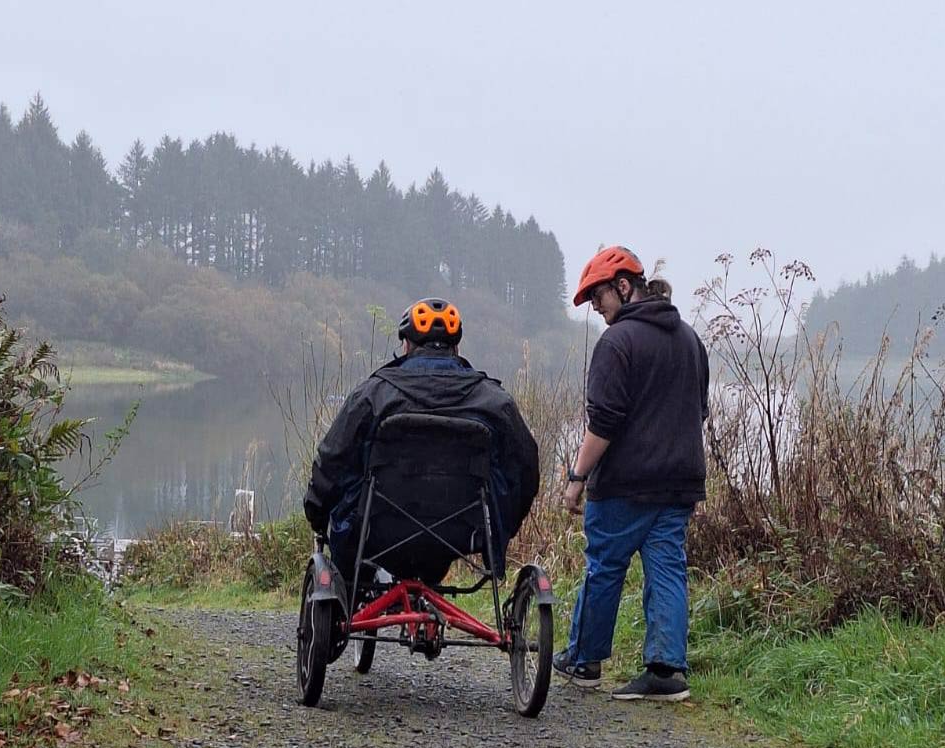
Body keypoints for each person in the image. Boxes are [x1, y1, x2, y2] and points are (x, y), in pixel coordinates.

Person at [553, 246, 708, 702]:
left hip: (623, 485)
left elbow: (603, 422)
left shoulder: (617, 343)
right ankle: (665, 671)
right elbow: (698, 411)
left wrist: (576, 478)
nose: (596, 309)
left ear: (623, 286)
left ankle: (584, 660)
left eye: (597, 297)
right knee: (667, 569)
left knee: (604, 566)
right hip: (679, 482)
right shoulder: (690, 339)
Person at [303, 298, 540, 584]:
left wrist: (317, 514)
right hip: (465, 531)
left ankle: (357, 594)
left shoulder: (373, 394)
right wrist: (505, 526)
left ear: (406, 345)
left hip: (377, 528)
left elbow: (331, 460)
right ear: (456, 347)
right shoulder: (494, 401)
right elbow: (526, 471)